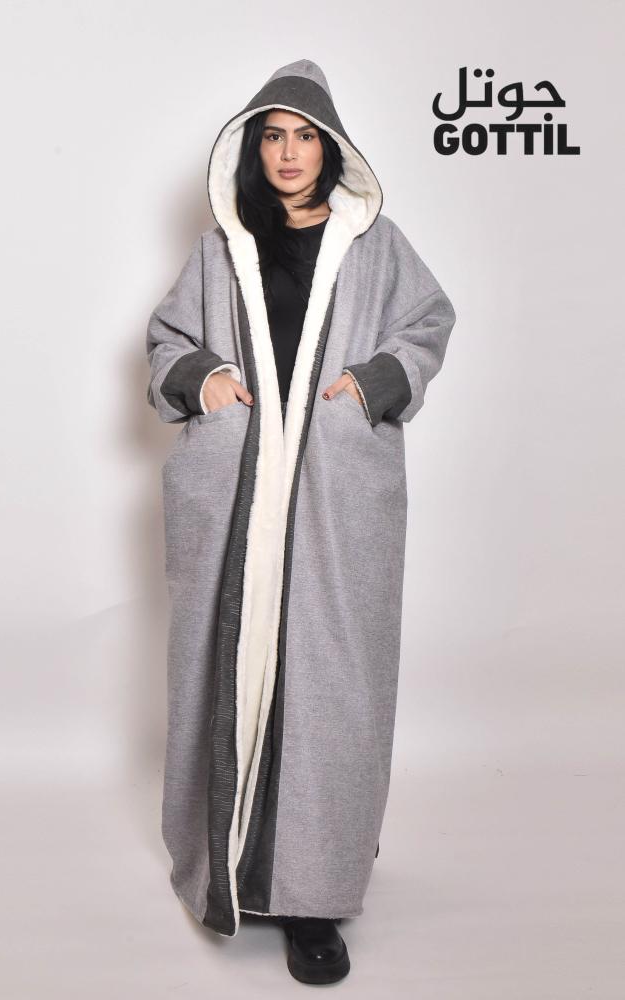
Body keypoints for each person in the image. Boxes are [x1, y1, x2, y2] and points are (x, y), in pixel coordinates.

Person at [145, 58, 456, 985]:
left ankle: (314, 896)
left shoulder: (374, 245)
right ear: (253, 150)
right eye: (273, 137)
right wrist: (205, 380)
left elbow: (428, 322)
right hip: (238, 495)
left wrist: (370, 386)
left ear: (331, 149)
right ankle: (232, 864)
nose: (288, 154)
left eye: (305, 137)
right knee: (232, 666)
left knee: (331, 683)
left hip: (334, 496)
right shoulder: (221, 250)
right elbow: (165, 338)